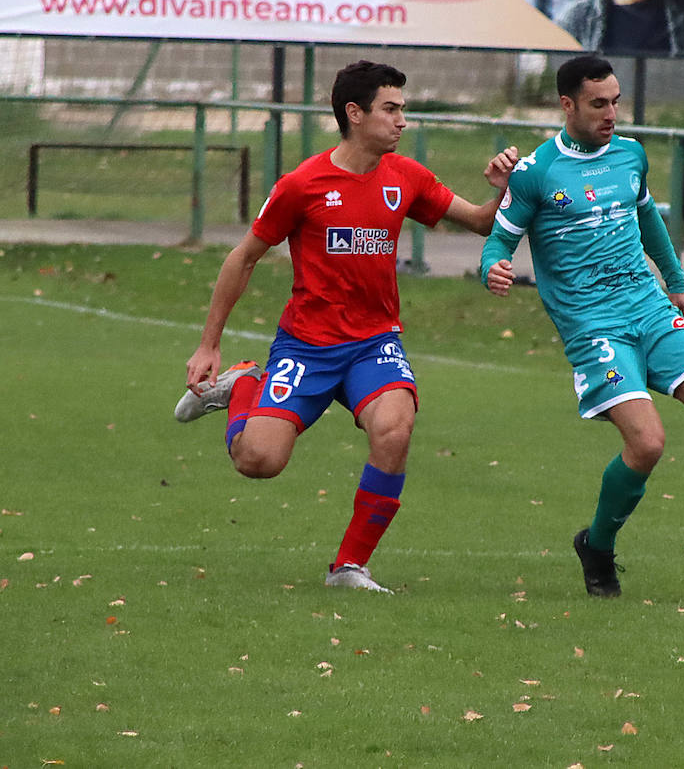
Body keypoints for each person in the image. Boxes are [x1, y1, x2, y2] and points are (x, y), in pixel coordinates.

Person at [173, 60, 519, 593]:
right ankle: (245, 382)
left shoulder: (405, 176)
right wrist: (208, 344)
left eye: (403, 109)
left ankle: (349, 567)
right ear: (354, 114)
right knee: (258, 461)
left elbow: (478, 220)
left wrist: (499, 189)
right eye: (391, 109)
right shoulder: (303, 184)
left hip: (374, 344)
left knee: (394, 428)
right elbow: (242, 259)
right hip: (306, 347)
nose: (402, 121)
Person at [481, 54, 684, 598]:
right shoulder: (536, 172)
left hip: (647, 306)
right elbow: (499, 241)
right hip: (594, 325)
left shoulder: (630, 155)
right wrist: (493, 268)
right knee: (647, 444)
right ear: (567, 105)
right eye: (599, 104)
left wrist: (675, 278)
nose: (612, 113)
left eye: (616, 101)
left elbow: (648, 219)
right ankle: (597, 546)